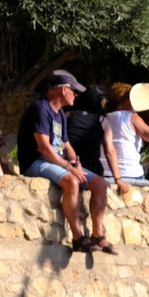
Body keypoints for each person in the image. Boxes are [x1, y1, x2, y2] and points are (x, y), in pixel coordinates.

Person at [17, 71, 112, 252]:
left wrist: (76, 162)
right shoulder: (40, 108)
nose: (76, 95)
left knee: (100, 184)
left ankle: (98, 234)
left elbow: (66, 145)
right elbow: (44, 148)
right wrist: (69, 167)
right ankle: (78, 237)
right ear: (63, 90)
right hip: (36, 162)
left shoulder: (60, 114)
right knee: (71, 181)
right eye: (73, 90)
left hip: (56, 162)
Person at [100, 82, 149, 198]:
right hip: (130, 173)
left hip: (105, 172)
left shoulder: (103, 118)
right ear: (125, 100)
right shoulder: (130, 117)